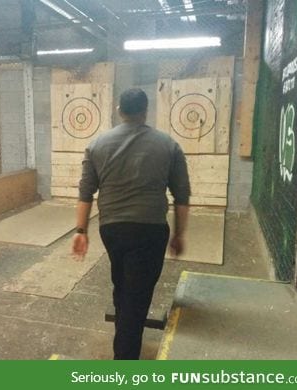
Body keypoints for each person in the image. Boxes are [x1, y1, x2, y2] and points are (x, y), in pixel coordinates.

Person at [72, 88, 191, 359]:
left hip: (111, 230)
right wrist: (180, 234)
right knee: (137, 299)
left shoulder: (97, 145)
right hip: (150, 230)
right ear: (145, 111)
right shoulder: (169, 145)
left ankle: (124, 326)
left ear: (119, 110)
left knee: (123, 284)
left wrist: (81, 231)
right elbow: (182, 196)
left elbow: (85, 192)